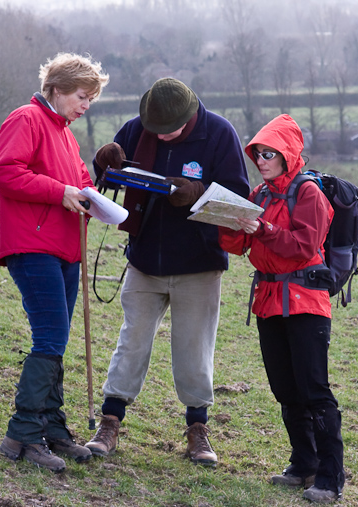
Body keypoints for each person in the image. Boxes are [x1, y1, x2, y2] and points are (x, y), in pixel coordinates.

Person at [84, 78, 250, 466]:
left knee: (193, 349)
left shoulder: (219, 134)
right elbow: (111, 175)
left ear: (190, 116)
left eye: (169, 130)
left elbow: (237, 200)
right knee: (132, 340)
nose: (160, 136)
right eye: (154, 130)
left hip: (199, 263)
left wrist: (196, 193)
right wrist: (103, 162)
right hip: (145, 259)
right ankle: (110, 422)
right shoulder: (139, 127)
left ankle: (197, 429)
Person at [0, 52, 109, 472]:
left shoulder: (65, 133)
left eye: (90, 99)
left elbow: (80, 181)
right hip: (32, 245)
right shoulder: (26, 119)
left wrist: (96, 188)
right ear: (56, 90)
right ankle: (22, 433)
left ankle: (52, 426)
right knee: (50, 336)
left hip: (65, 249)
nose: (85, 105)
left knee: (57, 339)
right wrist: (59, 192)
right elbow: (4, 172)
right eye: (81, 96)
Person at [218, 114, 345, 502]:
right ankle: (303, 464)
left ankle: (330, 476)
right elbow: (239, 247)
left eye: (269, 152)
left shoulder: (309, 194)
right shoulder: (260, 194)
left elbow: (304, 247)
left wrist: (264, 230)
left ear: (288, 154)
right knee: (285, 389)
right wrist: (224, 221)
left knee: (314, 389)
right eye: (257, 153)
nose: (261, 159)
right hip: (269, 301)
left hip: (306, 302)